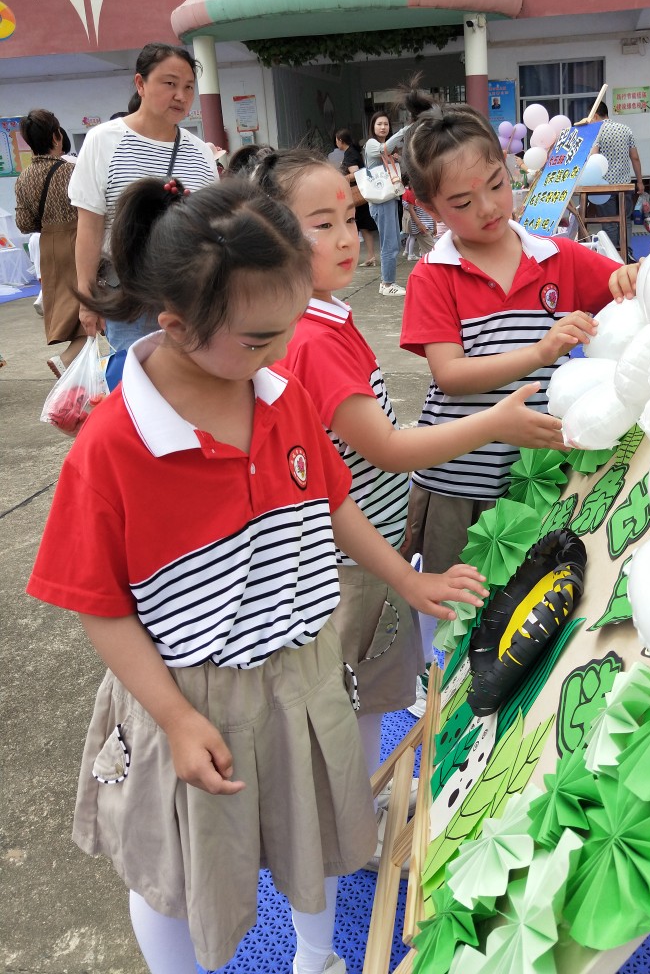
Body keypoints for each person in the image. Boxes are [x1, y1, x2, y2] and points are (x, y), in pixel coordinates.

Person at [25, 173, 486, 974]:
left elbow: (332, 504)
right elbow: (99, 605)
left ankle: (317, 957)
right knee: (175, 870)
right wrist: (175, 719)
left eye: (288, 326)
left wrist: (405, 579)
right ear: (175, 325)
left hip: (303, 669)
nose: (280, 351)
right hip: (194, 695)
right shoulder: (115, 446)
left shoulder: (278, 393)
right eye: (258, 338)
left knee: (317, 832)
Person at [254, 149, 566, 845]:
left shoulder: (323, 318)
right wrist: (497, 423)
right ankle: (347, 825)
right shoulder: (314, 339)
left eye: (349, 218)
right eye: (321, 225)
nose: (346, 238)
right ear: (270, 235)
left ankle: (353, 813)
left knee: (364, 694)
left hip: (365, 547)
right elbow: (388, 449)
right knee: (353, 700)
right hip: (352, 562)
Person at [396, 89, 640, 582]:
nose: (489, 208)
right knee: (459, 606)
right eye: (462, 202)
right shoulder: (433, 275)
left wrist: (631, 276)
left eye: (497, 184)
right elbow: (451, 375)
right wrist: (541, 351)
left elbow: (629, 282)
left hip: (540, 477)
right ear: (427, 206)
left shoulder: (558, 256)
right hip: (459, 484)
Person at [70, 42, 219, 388]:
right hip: (130, 299)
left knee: (193, 387)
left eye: (188, 87)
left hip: (191, 296)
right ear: (140, 84)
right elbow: (89, 227)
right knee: (137, 388)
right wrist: (87, 299)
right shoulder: (104, 141)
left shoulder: (200, 153)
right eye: (170, 83)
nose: (181, 96)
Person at [14, 109, 86, 377]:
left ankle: (73, 365)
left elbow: (24, 223)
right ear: (57, 136)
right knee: (91, 309)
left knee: (72, 310)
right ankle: (67, 360)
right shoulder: (72, 171)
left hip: (49, 246)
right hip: (79, 240)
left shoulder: (23, 178)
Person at [588, 101, 645, 259]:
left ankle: (612, 256)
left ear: (596, 115)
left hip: (604, 187)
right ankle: (626, 253)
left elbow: (593, 157)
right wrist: (639, 181)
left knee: (609, 223)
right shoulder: (626, 129)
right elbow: (635, 157)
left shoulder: (597, 132)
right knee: (625, 220)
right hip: (624, 186)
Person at [363, 111, 408, 296]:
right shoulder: (372, 144)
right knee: (389, 243)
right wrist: (404, 131)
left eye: (386, 124)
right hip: (381, 201)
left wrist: (398, 159)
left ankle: (387, 282)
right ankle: (387, 284)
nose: (383, 127)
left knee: (393, 242)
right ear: (373, 127)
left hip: (388, 199)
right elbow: (384, 149)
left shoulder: (386, 149)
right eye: (379, 124)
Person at [335, 127, 377, 267]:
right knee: (363, 227)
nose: (336, 142)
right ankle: (370, 256)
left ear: (340, 140)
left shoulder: (350, 154)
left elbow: (356, 173)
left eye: (337, 140)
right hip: (360, 195)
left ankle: (367, 256)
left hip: (356, 195)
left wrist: (343, 178)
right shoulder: (352, 152)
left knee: (358, 226)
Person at [402, 183, 436, 260]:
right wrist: (419, 224)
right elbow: (410, 208)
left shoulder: (425, 191)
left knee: (427, 253)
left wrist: (434, 225)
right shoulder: (414, 192)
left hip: (426, 225)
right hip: (423, 227)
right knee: (432, 252)